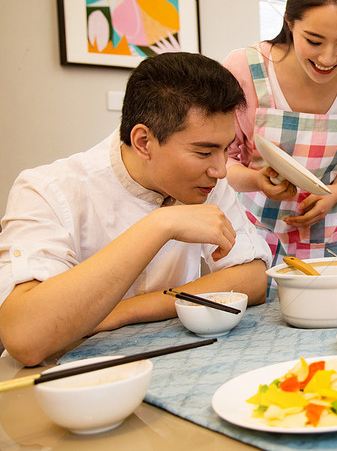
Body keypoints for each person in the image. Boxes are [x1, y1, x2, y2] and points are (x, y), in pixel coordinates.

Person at [0, 53, 273, 366]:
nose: (221, 170)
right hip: (62, 382)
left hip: (164, 363)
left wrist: (123, 312)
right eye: (203, 151)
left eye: (225, 149)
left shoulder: (206, 182)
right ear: (143, 141)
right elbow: (25, 338)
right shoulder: (48, 189)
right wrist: (160, 225)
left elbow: (252, 278)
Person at [223, 0, 337, 263]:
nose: (328, 58)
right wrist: (258, 181)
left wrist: (334, 192)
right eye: (314, 41)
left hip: (326, 235)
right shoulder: (245, 67)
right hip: (249, 231)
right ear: (289, 22)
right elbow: (223, 158)